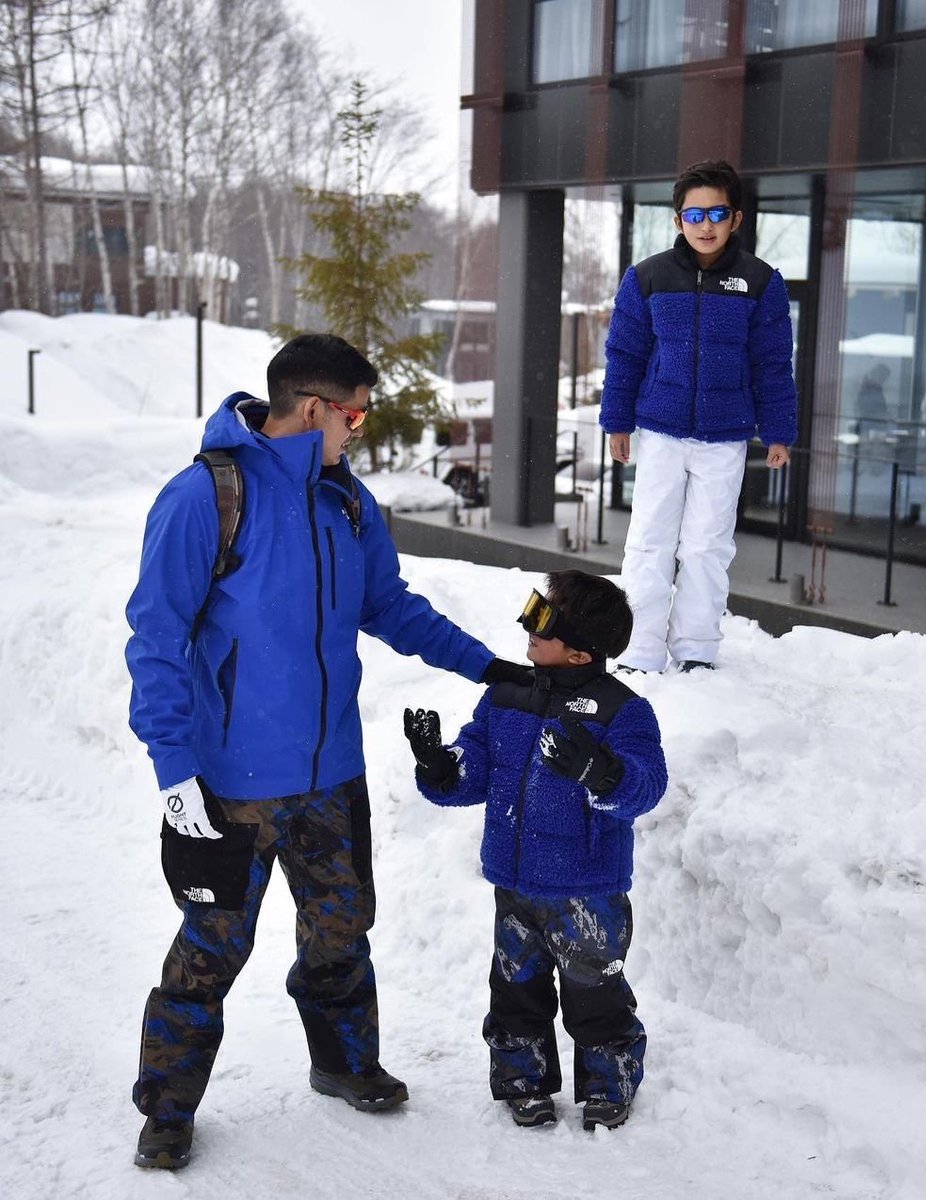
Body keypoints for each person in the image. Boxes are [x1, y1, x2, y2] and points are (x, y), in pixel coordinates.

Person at [125, 333, 528, 1170]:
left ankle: (343, 1062)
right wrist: (173, 770)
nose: (360, 430)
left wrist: (488, 666)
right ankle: (166, 1109)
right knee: (210, 948)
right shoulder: (205, 497)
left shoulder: (346, 500)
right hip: (227, 785)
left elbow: (391, 608)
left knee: (342, 930)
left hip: (330, 776)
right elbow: (157, 636)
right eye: (356, 414)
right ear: (313, 409)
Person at [403, 570, 668, 1131]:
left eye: (543, 620)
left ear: (579, 653)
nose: (528, 625)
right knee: (515, 988)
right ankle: (523, 1080)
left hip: (586, 892)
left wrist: (600, 771)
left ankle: (608, 1084)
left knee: (595, 995)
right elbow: (476, 770)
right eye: (533, 610)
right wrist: (441, 765)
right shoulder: (506, 697)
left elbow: (646, 788)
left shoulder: (621, 710)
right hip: (515, 883)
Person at [600, 159, 798, 673]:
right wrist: (617, 421)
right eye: (694, 215)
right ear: (677, 221)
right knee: (649, 541)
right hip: (661, 431)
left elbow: (773, 365)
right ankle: (639, 649)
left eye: (717, 213)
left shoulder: (761, 282)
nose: (705, 225)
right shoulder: (647, 277)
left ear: (736, 218)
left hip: (725, 437)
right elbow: (625, 354)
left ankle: (695, 650)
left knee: (707, 546)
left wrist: (778, 431)